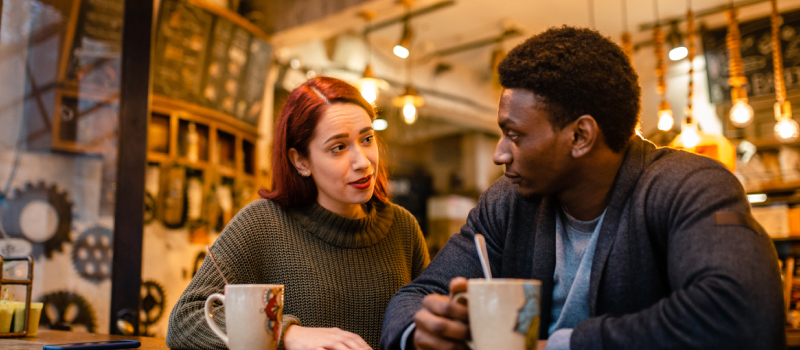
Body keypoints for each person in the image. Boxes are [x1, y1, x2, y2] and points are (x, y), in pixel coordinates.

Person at [381, 26, 784, 350]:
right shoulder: (507, 202)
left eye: (514, 135)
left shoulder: (688, 187)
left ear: (580, 136)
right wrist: (423, 331)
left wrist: (562, 344)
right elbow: (412, 298)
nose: (500, 155)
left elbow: (741, 316)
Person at [166, 76, 430, 350]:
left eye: (367, 139)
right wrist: (285, 334)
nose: (362, 162)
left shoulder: (403, 228)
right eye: (338, 147)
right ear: (301, 161)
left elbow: (428, 324)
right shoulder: (262, 223)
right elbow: (186, 320)